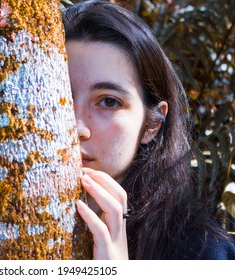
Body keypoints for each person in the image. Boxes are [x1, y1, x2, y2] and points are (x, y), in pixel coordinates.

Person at [62, 0, 235, 259]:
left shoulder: (205, 255)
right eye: (60, 94)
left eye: (109, 101)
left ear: (152, 124)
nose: (76, 128)